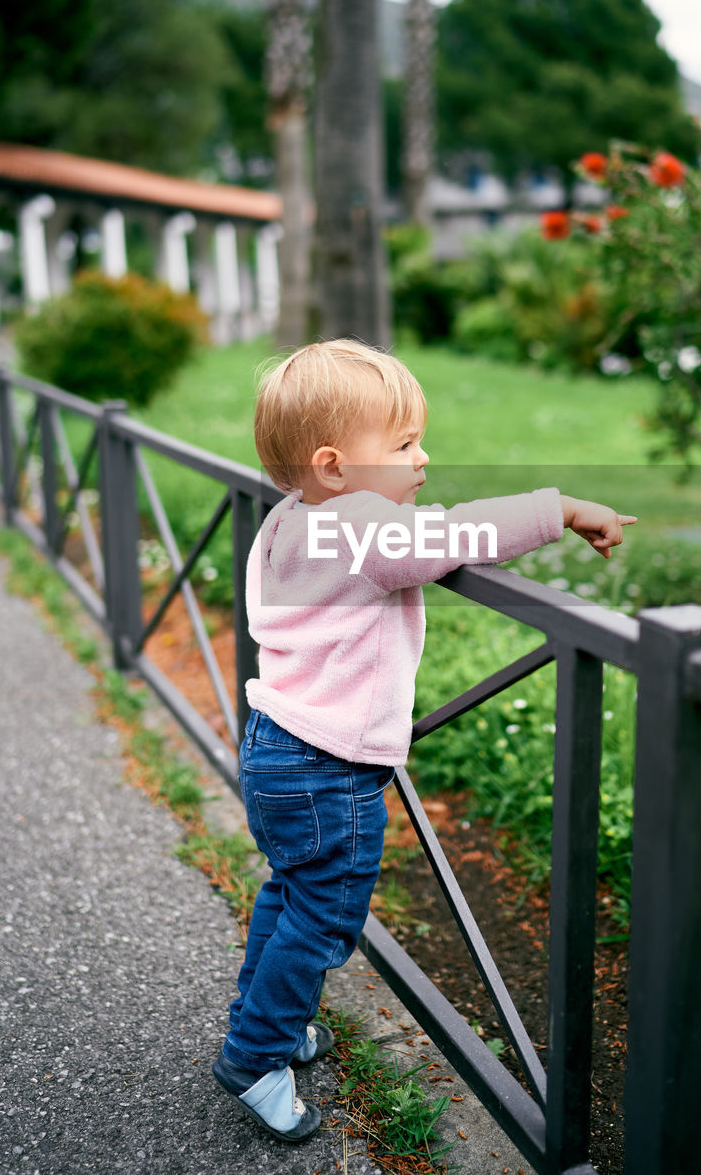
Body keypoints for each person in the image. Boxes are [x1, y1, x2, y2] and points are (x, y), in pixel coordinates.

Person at [212, 338, 636, 1141]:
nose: (423, 456)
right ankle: (255, 1052)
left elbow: (413, 541)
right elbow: (457, 533)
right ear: (334, 468)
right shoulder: (364, 529)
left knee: (290, 894)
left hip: (279, 746)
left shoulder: (292, 518)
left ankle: (271, 1024)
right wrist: (564, 508)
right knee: (327, 915)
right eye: (402, 445)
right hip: (326, 765)